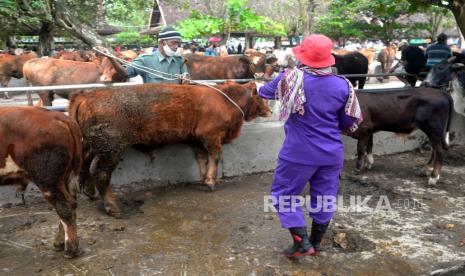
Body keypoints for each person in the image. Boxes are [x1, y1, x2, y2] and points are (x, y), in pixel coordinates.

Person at [256, 34, 363, 258]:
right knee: (324, 197)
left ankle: (302, 242)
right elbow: (347, 121)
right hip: (331, 154)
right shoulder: (343, 85)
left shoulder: (290, 78)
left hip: (298, 153)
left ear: (303, 57)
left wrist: (258, 85)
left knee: (283, 195)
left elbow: (265, 92)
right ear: (328, 58)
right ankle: (315, 243)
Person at [104, 25, 189, 84]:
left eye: (178, 44)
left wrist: (186, 79)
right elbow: (125, 73)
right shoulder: (145, 60)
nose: (176, 47)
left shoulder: (180, 61)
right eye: (173, 43)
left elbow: (186, 79)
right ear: (162, 42)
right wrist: (111, 58)